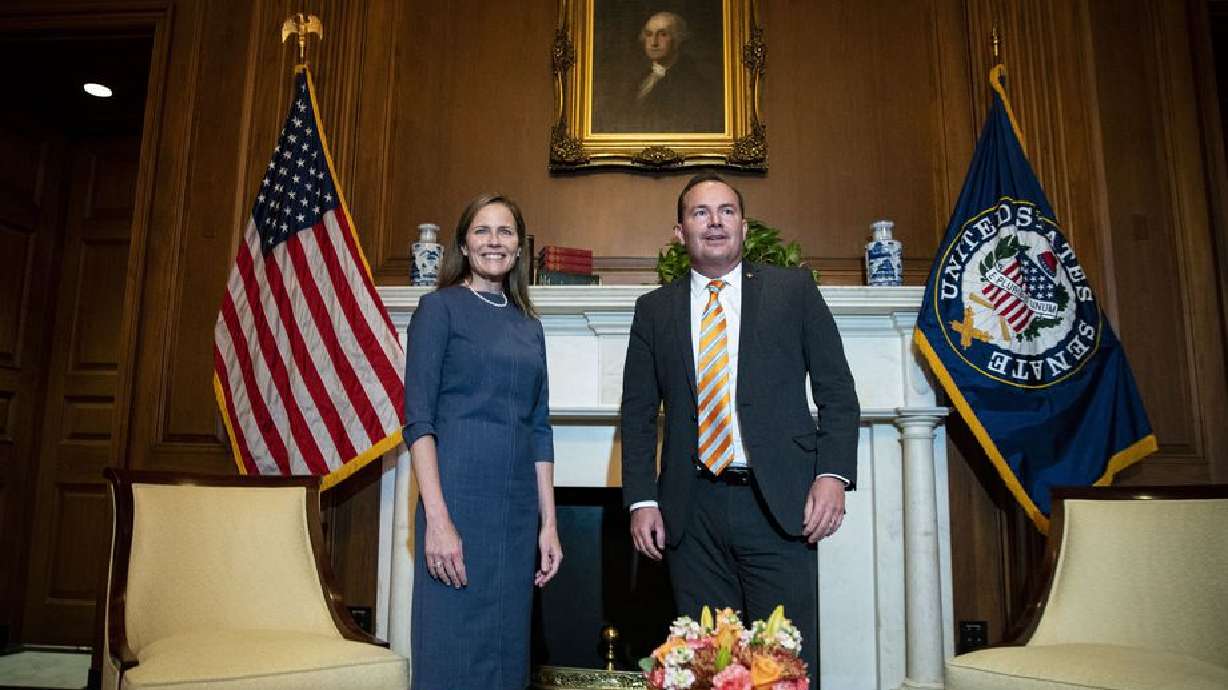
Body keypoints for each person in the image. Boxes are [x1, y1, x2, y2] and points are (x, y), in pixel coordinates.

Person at [620, 174, 860, 684]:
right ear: (680, 231)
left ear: (744, 226)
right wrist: (642, 500)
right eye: (700, 213)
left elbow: (838, 393)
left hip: (779, 505)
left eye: (726, 211)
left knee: (782, 665)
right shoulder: (654, 310)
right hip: (691, 512)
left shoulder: (792, 291)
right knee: (706, 666)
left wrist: (833, 475)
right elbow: (638, 416)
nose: (714, 222)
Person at [404, 194, 562, 690]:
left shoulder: (529, 327)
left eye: (506, 232)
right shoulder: (438, 310)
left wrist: (550, 526)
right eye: (482, 231)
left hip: (515, 519)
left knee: (505, 657)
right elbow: (418, 422)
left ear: (519, 248)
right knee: (451, 650)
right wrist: (438, 521)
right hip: (457, 507)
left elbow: (540, 428)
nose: (494, 241)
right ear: (464, 245)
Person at [601, 11, 722, 133]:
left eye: (663, 34)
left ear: (678, 39)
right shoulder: (640, 79)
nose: (653, 42)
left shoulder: (693, 83)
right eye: (649, 34)